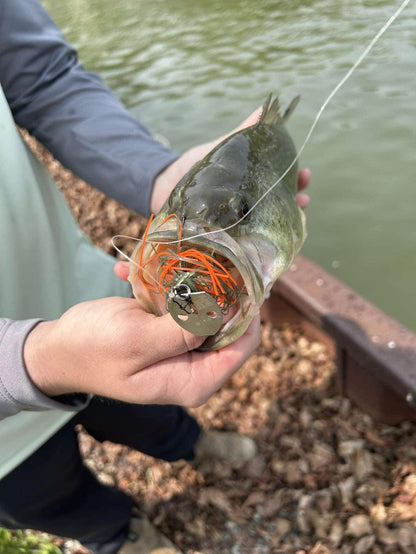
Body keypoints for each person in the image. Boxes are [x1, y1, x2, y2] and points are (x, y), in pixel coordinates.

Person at [0, 1, 310, 553]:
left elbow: (43, 79)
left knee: (152, 416)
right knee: (48, 497)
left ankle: (188, 444)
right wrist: (30, 361)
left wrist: (159, 174)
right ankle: (121, 534)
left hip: (79, 296)